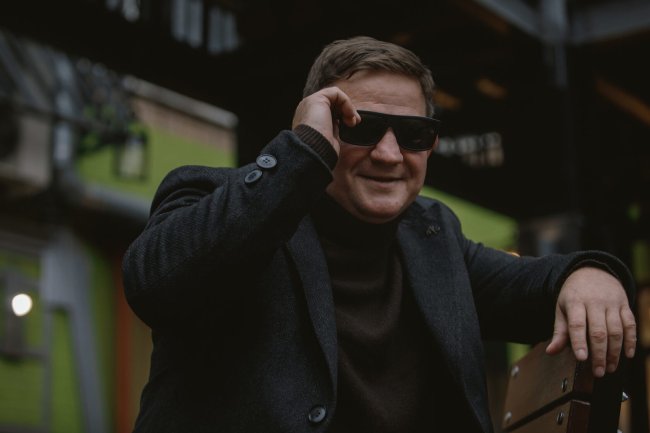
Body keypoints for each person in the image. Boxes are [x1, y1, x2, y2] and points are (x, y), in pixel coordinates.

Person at [122, 36, 636, 433]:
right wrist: (300, 154)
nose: (389, 154)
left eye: (413, 134)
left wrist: (588, 272)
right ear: (321, 126)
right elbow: (157, 285)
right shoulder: (216, 197)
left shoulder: (434, 235)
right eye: (362, 126)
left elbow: (531, 287)